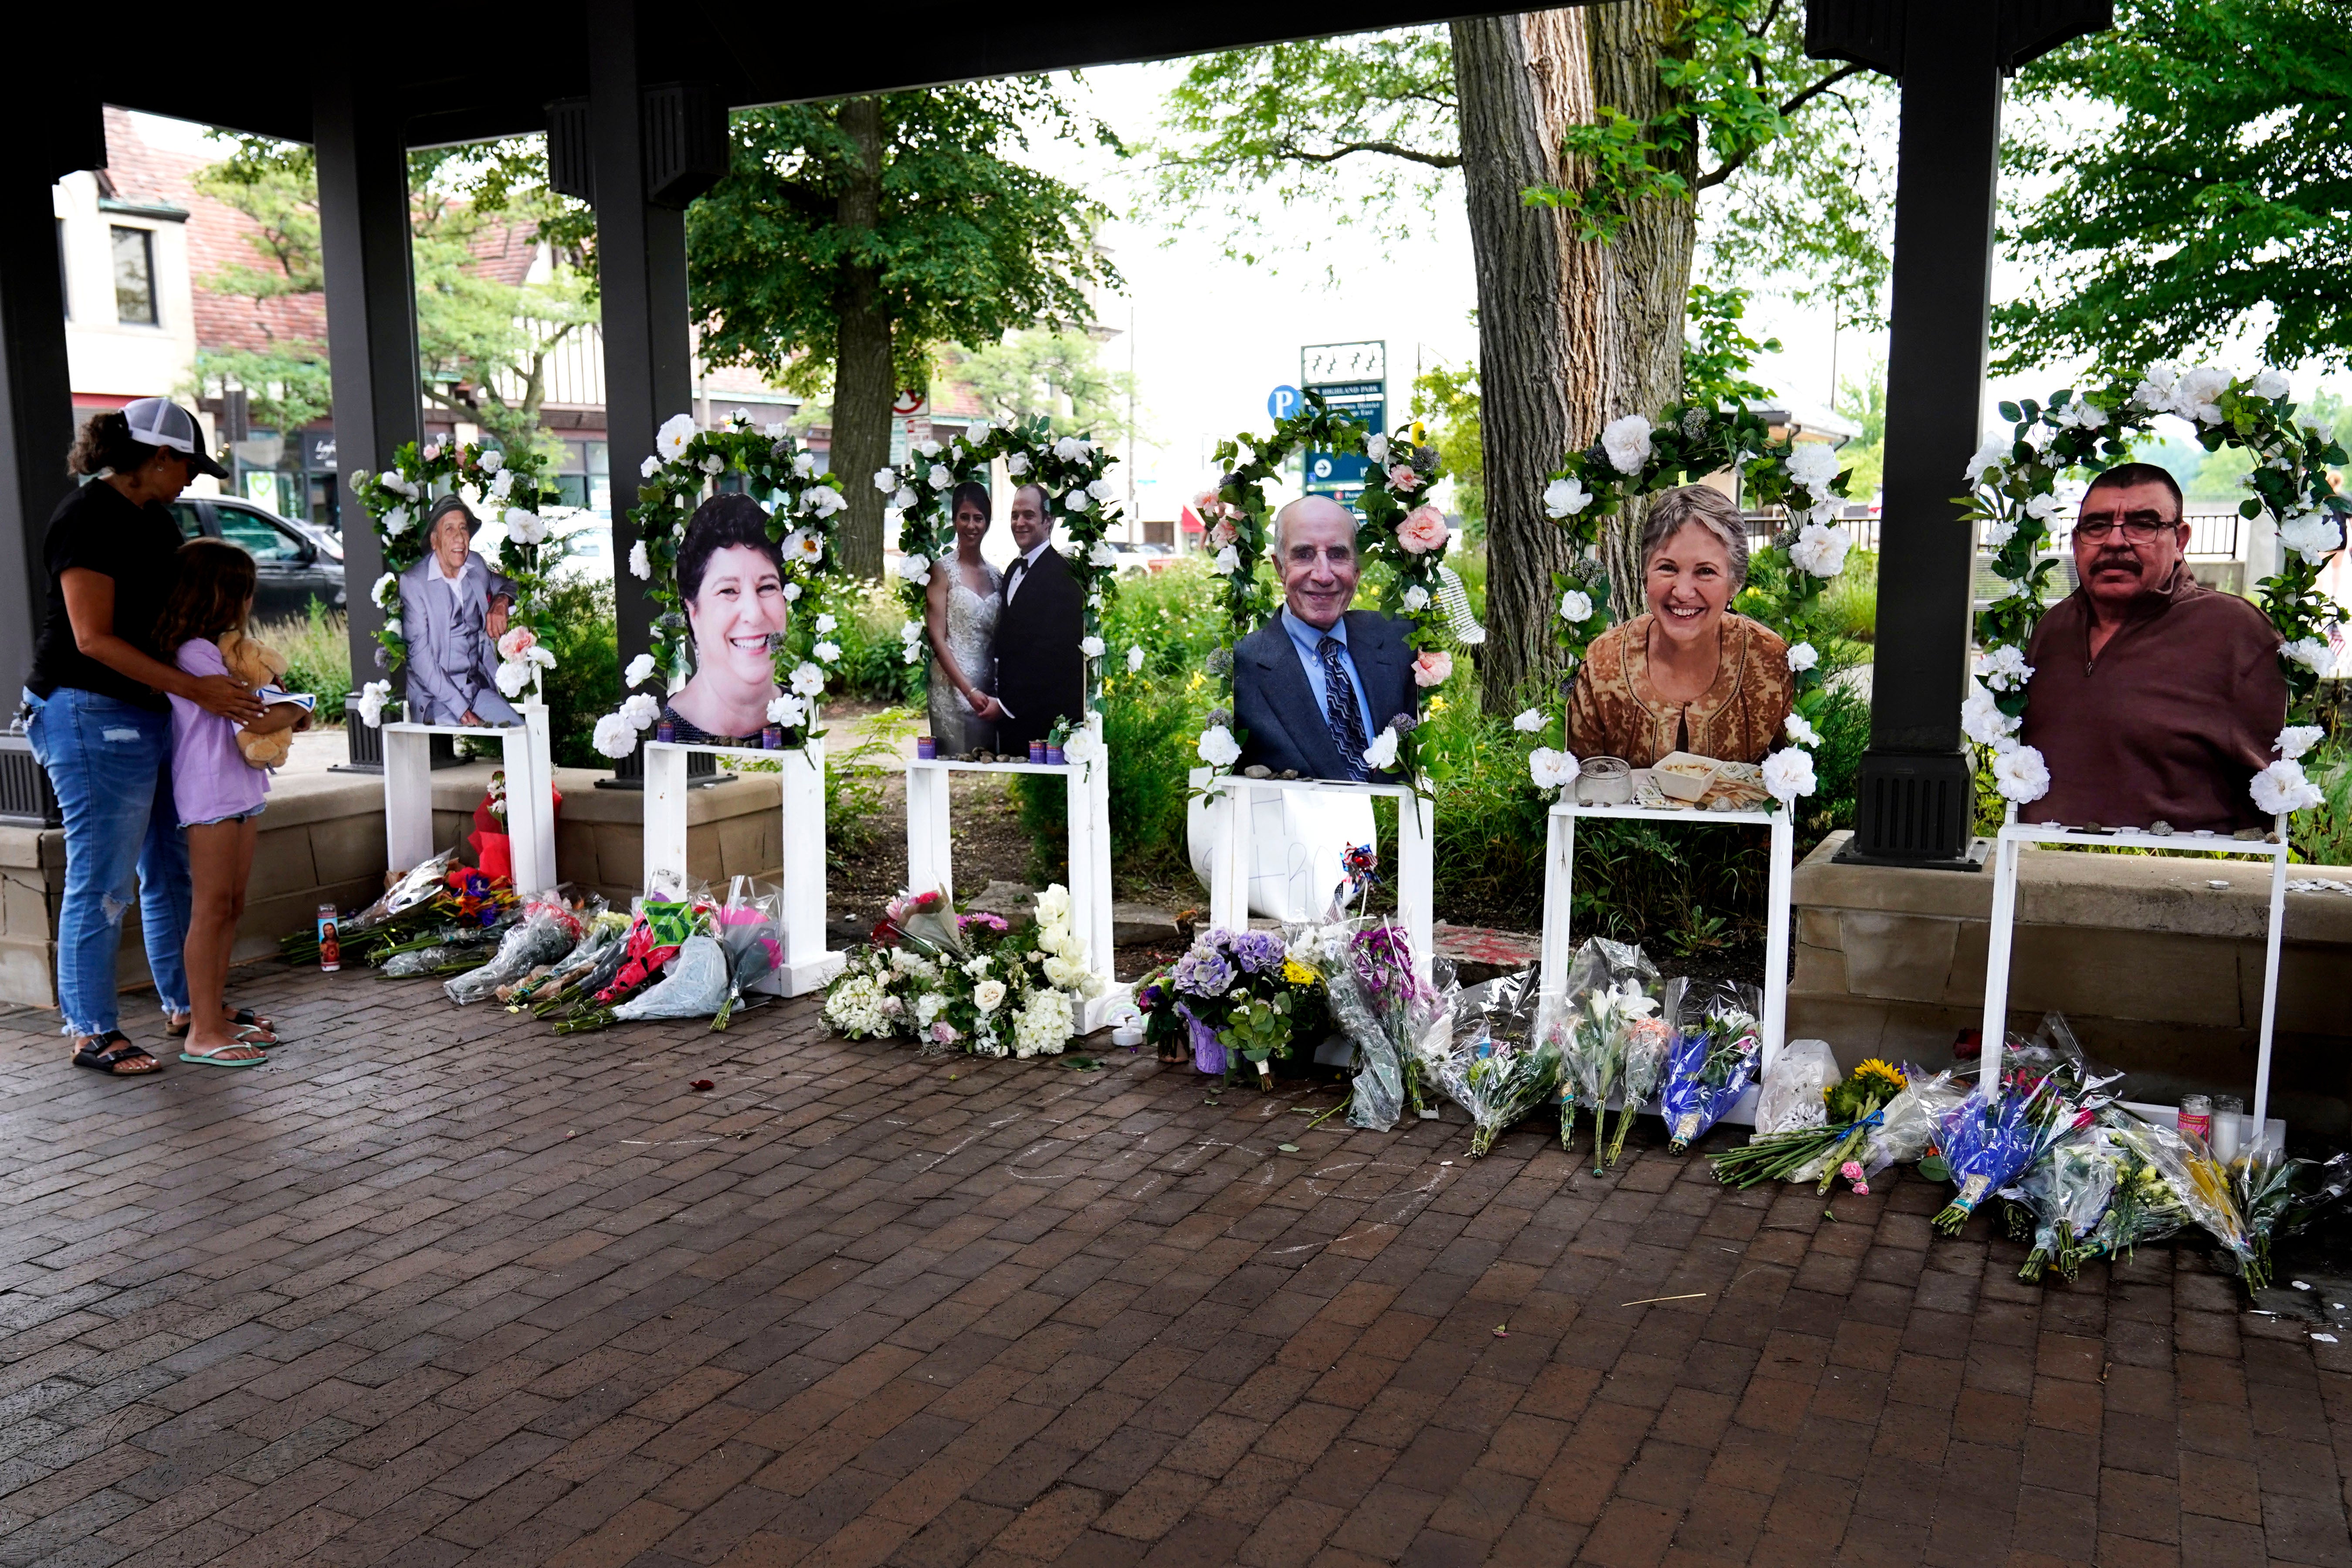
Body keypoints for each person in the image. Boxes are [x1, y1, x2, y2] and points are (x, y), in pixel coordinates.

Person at [22, 401, 268, 1077]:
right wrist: (198, 690)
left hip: (151, 709)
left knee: (170, 870)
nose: (194, 476)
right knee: (103, 879)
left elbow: (177, 616)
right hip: (87, 710)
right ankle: (92, 1029)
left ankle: (196, 1010)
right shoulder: (85, 518)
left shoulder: (156, 520)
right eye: (189, 463)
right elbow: (91, 638)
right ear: (158, 456)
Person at [2018, 462, 2286, 832]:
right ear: (2077, 542)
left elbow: (2277, 794)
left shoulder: (2234, 632)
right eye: (2097, 526)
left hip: (2178, 877)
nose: (2115, 542)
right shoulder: (2053, 629)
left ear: (2180, 540)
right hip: (2034, 870)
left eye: (2142, 525)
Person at [155, 539, 308, 1067]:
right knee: (212, 907)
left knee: (233, 905)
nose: (250, 602)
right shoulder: (194, 653)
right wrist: (295, 709)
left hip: (240, 787)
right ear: (222, 593)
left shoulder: (218, 650)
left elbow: (265, 711)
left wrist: (289, 708)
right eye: (245, 590)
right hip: (210, 791)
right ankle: (201, 1028)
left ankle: (215, 1017)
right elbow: (256, 717)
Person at [1565, 484, 1792, 767]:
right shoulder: (1604, 662)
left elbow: (1797, 778)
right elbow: (1578, 790)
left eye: (1706, 571)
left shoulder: (1769, 661)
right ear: (1645, 573)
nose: (1683, 591)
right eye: (1668, 568)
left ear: (1735, 582)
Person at [1232, 494, 1417, 780]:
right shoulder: (1242, 666)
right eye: (1304, 554)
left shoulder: (1403, 643)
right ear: (1280, 568)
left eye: (1338, 554)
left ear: (1357, 570)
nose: (1323, 574)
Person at [663, 493, 786, 745]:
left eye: (767, 588)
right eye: (728, 591)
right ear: (693, 611)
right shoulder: (664, 732)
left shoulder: (807, 718)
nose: (753, 614)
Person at [397, 494, 518, 726]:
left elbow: (508, 584)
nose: (459, 537)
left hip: (476, 689)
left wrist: (501, 602)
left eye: (463, 528)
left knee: (521, 734)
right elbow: (421, 661)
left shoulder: (476, 566)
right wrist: (461, 709)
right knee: (494, 730)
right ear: (435, 541)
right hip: (436, 699)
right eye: (449, 529)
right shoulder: (414, 583)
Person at [990, 483, 1084, 755]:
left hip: (1045, 722)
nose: (1019, 523)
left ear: (1049, 520)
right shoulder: (1011, 570)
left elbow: (1053, 655)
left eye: (1028, 515)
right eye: (1014, 515)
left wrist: (1007, 704)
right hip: (1011, 720)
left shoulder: (1064, 576)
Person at [925, 481, 1004, 755]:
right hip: (951, 689)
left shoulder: (998, 576)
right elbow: (936, 636)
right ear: (955, 519)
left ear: (987, 522)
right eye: (965, 517)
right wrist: (967, 690)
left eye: (978, 518)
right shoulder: (942, 571)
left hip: (988, 693)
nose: (972, 526)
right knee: (954, 767)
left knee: (991, 765)